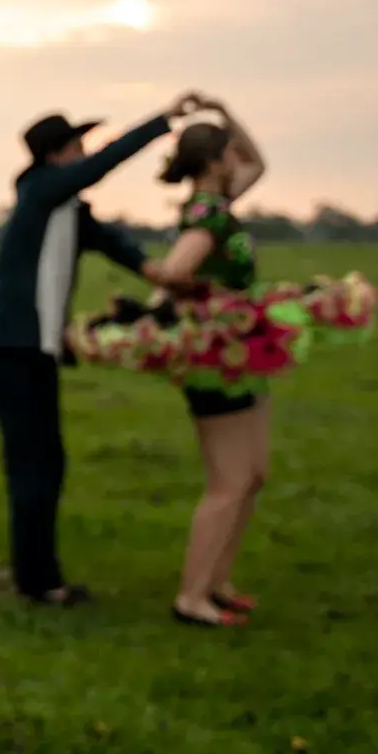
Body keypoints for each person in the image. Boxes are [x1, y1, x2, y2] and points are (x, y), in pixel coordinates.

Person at [0, 96, 196, 603]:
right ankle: (40, 582)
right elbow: (101, 166)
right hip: (13, 345)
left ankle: (39, 574)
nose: (85, 153)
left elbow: (118, 245)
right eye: (77, 147)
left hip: (29, 348)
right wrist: (162, 122)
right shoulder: (43, 191)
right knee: (35, 465)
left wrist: (164, 278)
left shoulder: (64, 208)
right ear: (56, 155)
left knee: (46, 462)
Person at [148, 101, 270, 627]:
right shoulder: (208, 215)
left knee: (251, 476)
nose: (237, 158)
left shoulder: (217, 203)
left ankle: (218, 583)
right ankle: (191, 598)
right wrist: (211, 298)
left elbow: (258, 163)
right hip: (215, 357)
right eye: (228, 151)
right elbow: (173, 274)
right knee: (228, 482)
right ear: (217, 159)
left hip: (241, 353)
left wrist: (222, 109)